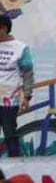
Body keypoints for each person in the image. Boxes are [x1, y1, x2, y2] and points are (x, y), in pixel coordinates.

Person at [0, 16, 33, 157]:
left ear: (3, 28)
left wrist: (26, 96)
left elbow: (28, 74)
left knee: (10, 135)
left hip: (8, 100)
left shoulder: (21, 48)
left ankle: (15, 167)